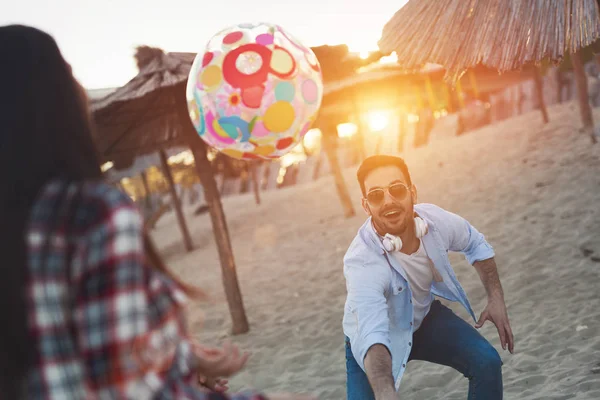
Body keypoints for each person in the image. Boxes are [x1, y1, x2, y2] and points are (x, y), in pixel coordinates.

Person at [0, 25, 313, 400]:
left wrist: (183, 358)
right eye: (70, 74)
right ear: (50, 101)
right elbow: (128, 390)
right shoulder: (89, 214)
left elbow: (64, 349)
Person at [343, 155, 514, 400]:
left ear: (412, 192)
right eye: (376, 195)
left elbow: (475, 243)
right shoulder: (362, 261)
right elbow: (371, 332)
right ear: (366, 205)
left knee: (486, 362)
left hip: (422, 320)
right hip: (374, 344)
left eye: (397, 189)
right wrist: (384, 391)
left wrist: (495, 298)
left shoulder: (435, 222)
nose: (388, 201)